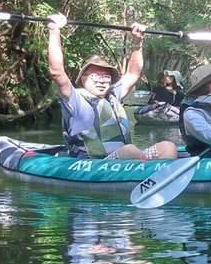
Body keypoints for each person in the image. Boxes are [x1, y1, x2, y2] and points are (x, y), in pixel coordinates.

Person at [47, 14, 178, 160]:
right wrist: (54, 30)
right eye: (95, 75)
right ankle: (144, 173)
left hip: (125, 161)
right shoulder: (74, 99)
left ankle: (159, 178)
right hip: (94, 165)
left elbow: (133, 73)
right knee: (130, 151)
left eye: (106, 76)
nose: (101, 80)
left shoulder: (113, 94)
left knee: (168, 147)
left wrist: (137, 41)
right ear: (83, 79)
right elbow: (57, 72)